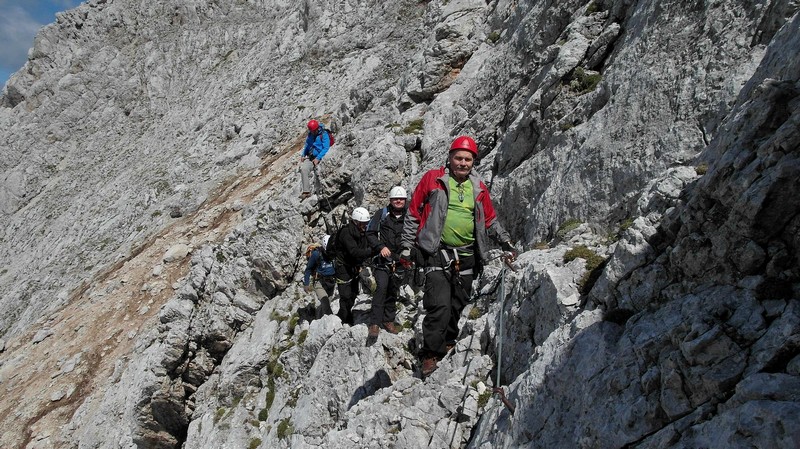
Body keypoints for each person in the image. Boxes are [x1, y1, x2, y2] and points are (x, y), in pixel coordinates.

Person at [401, 135, 516, 377]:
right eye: (458, 158)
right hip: (436, 252)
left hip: (467, 255)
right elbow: (414, 211)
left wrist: (504, 240)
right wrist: (406, 245)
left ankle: (449, 340)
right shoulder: (434, 179)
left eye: (468, 159)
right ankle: (431, 353)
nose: (463, 163)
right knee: (439, 305)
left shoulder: (478, 187)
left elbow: (490, 218)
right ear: (450, 158)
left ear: (473, 162)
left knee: (457, 305)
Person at [365, 186, 409, 340]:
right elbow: (370, 233)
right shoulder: (382, 214)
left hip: (400, 261)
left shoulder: (410, 215)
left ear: (405, 200)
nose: (398, 201)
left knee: (393, 290)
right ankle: (375, 323)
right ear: (390, 200)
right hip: (382, 261)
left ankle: (388, 320)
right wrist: (380, 247)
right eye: (395, 199)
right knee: (381, 288)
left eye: (401, 199)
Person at [334, 207, 375, 325]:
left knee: (353, 293)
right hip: (343, 267)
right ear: (356, 222)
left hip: (353, 266)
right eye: (363, 224)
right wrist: (371, 251)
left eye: (366, 223)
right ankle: (343, 318)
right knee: (345, 295)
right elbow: (354, 252)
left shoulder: (361, 233)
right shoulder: (346, 233)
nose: (365, 226)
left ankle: (347, 315)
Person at [303, 235, 336, 319]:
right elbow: (308, 269)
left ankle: (319, 319)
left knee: (327, 303)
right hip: (319, 283)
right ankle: (332, 321)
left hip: (331, 283)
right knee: (325, 302)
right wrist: (306, 284)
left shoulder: (334, 252)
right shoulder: (316, 254)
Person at [299, 119, 331, 199]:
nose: (312, 132)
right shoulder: (310, 135)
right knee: (304, 169)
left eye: (313, 131)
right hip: (311, 157)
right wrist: (303, 154)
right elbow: (307, 145)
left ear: (317, 128)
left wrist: (318, 158)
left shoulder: (324, 134)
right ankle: (306, 191)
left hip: (319, 157)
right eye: (311, 131)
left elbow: (326, 147)